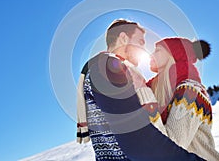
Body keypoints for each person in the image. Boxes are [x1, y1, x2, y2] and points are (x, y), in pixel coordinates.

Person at [76, 20, 205, 161]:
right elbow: (138, 142)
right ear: (124, 38)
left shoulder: (101, 70)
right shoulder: (109, 68)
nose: (144, 49)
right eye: (141, 42)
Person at [136, 37, 219, 161]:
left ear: (173, 54)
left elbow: (172, 147)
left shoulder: (190, 91)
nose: (152, 54)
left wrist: (143, 91)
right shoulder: (156, 93)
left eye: (158, 50)